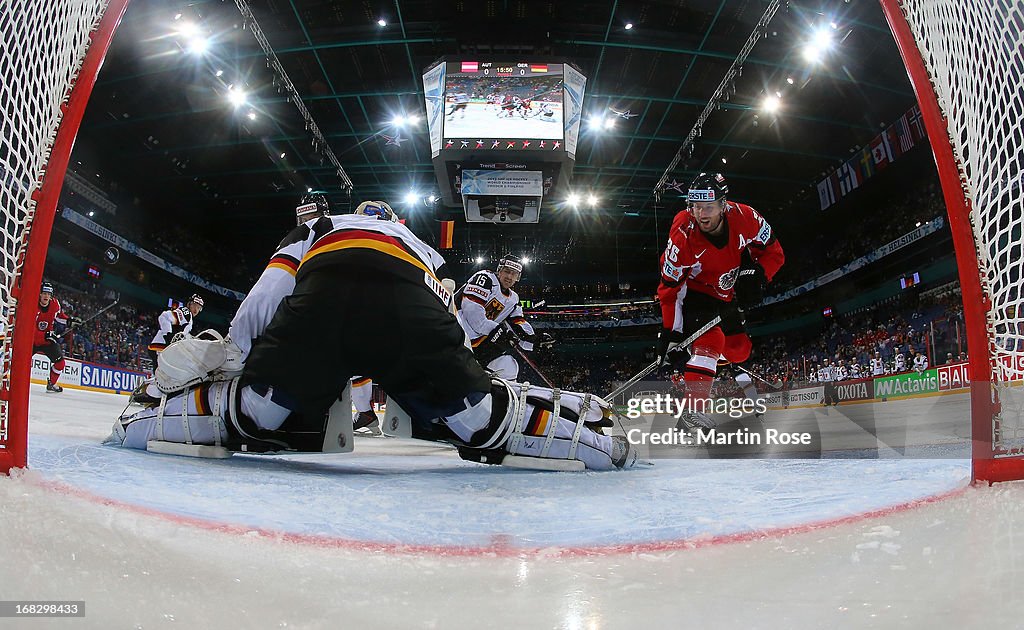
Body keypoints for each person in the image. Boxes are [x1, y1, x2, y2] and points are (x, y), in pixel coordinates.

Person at [107, 201, 635, 471]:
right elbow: (444, 323)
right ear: (398, 221)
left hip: (325, 301)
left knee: (260, 411)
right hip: (407, 306)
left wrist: (244, 354)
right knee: (476, 415)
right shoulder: (419, 243)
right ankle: (587, 433)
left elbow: (269, 291)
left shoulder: (323, 225)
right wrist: (458, 381)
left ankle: (140, 421)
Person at [656, 172, 784, 427]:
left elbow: (774, 253)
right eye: (696, 206)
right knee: (711, 341)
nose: (701, 214)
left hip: (725, 293)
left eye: (709, 207)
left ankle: (714, 360)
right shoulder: (683, 236)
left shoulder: (746, 217)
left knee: (739, 351)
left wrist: (758, 274)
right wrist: (672, 332)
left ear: (723, 205)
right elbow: (670, 289)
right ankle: (691, 414)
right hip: (695, 292)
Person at [296, 193, 381, 436]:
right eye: (303, 216)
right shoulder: (311, 235)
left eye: (311, 216)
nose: (307, 221)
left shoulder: (338, 229)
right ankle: (364, 413)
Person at [456, 255, 553, 381]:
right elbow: (473, 315)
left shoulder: (514, 299)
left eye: (514, 274)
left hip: (477, 343)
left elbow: (518, 323)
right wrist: (500, 331)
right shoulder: (485, 278)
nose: (509, 277)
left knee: (509, 368)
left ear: (518, 278)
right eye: (507, 271)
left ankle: (499, 398)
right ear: (499, 270)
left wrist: (534, 341)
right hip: (455, 332)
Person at [34, 282, 75, 392]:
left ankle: (52, 384)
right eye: (44, 293)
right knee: (19, 361)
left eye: (48, 294)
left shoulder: (55, 304)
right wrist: (45, 335)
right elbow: (28, 327)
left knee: (60, 363)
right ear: (39, 294)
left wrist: (70, 321)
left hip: (47, 340)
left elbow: (59, 317)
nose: (46, 296)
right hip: (31, 341)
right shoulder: (33, 305)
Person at [147, 294, 203, 367]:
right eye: (194, 305)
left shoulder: (189, 319)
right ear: (189, 304)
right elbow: (164, 316)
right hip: (161, 347)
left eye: (199, 308)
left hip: (164, 349)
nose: (196, 309)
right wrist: (168, 334)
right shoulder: (186, 313)